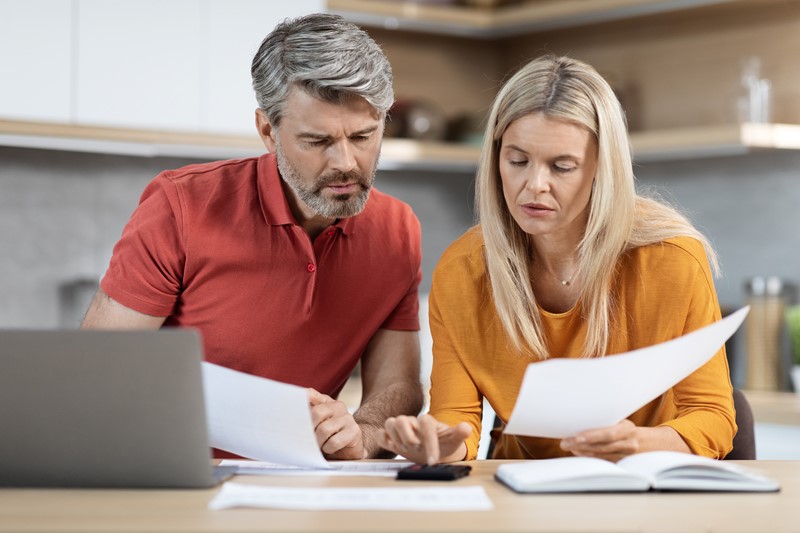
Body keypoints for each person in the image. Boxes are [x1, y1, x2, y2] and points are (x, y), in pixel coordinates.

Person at [81, 13, 424, 460]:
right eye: (317, 141)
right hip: (171, 475)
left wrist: (361, 433)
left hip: (298, 486)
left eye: (363, 135)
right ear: (267, 131)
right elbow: (95, 371)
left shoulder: (397, 231)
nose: (346, 162)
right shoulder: (181, 206)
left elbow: (398, 388)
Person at [379, 55, 736, 465]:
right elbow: (457, 418)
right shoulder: (463, 272)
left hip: (639, 487)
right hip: (518, 490)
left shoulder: (671, 260)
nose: (534, 185)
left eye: (562, 166)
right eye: (517, 161)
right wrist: (439, 443)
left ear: (603, 168)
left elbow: (712, 418)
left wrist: (636, 443)